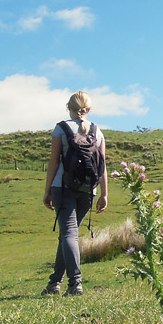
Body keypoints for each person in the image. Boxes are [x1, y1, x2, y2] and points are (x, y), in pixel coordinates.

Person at [42, 91, 107, 296]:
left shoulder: (61, 129)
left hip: (63, 187)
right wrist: (104, 194)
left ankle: (75, 284)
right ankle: (54, 284)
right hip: (89, 191)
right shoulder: (97, 132)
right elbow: (103, 166)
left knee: (69, 234)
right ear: (88, 109)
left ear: (68, 107)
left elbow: (53, 162)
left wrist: (47, 190)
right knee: (67, 235)